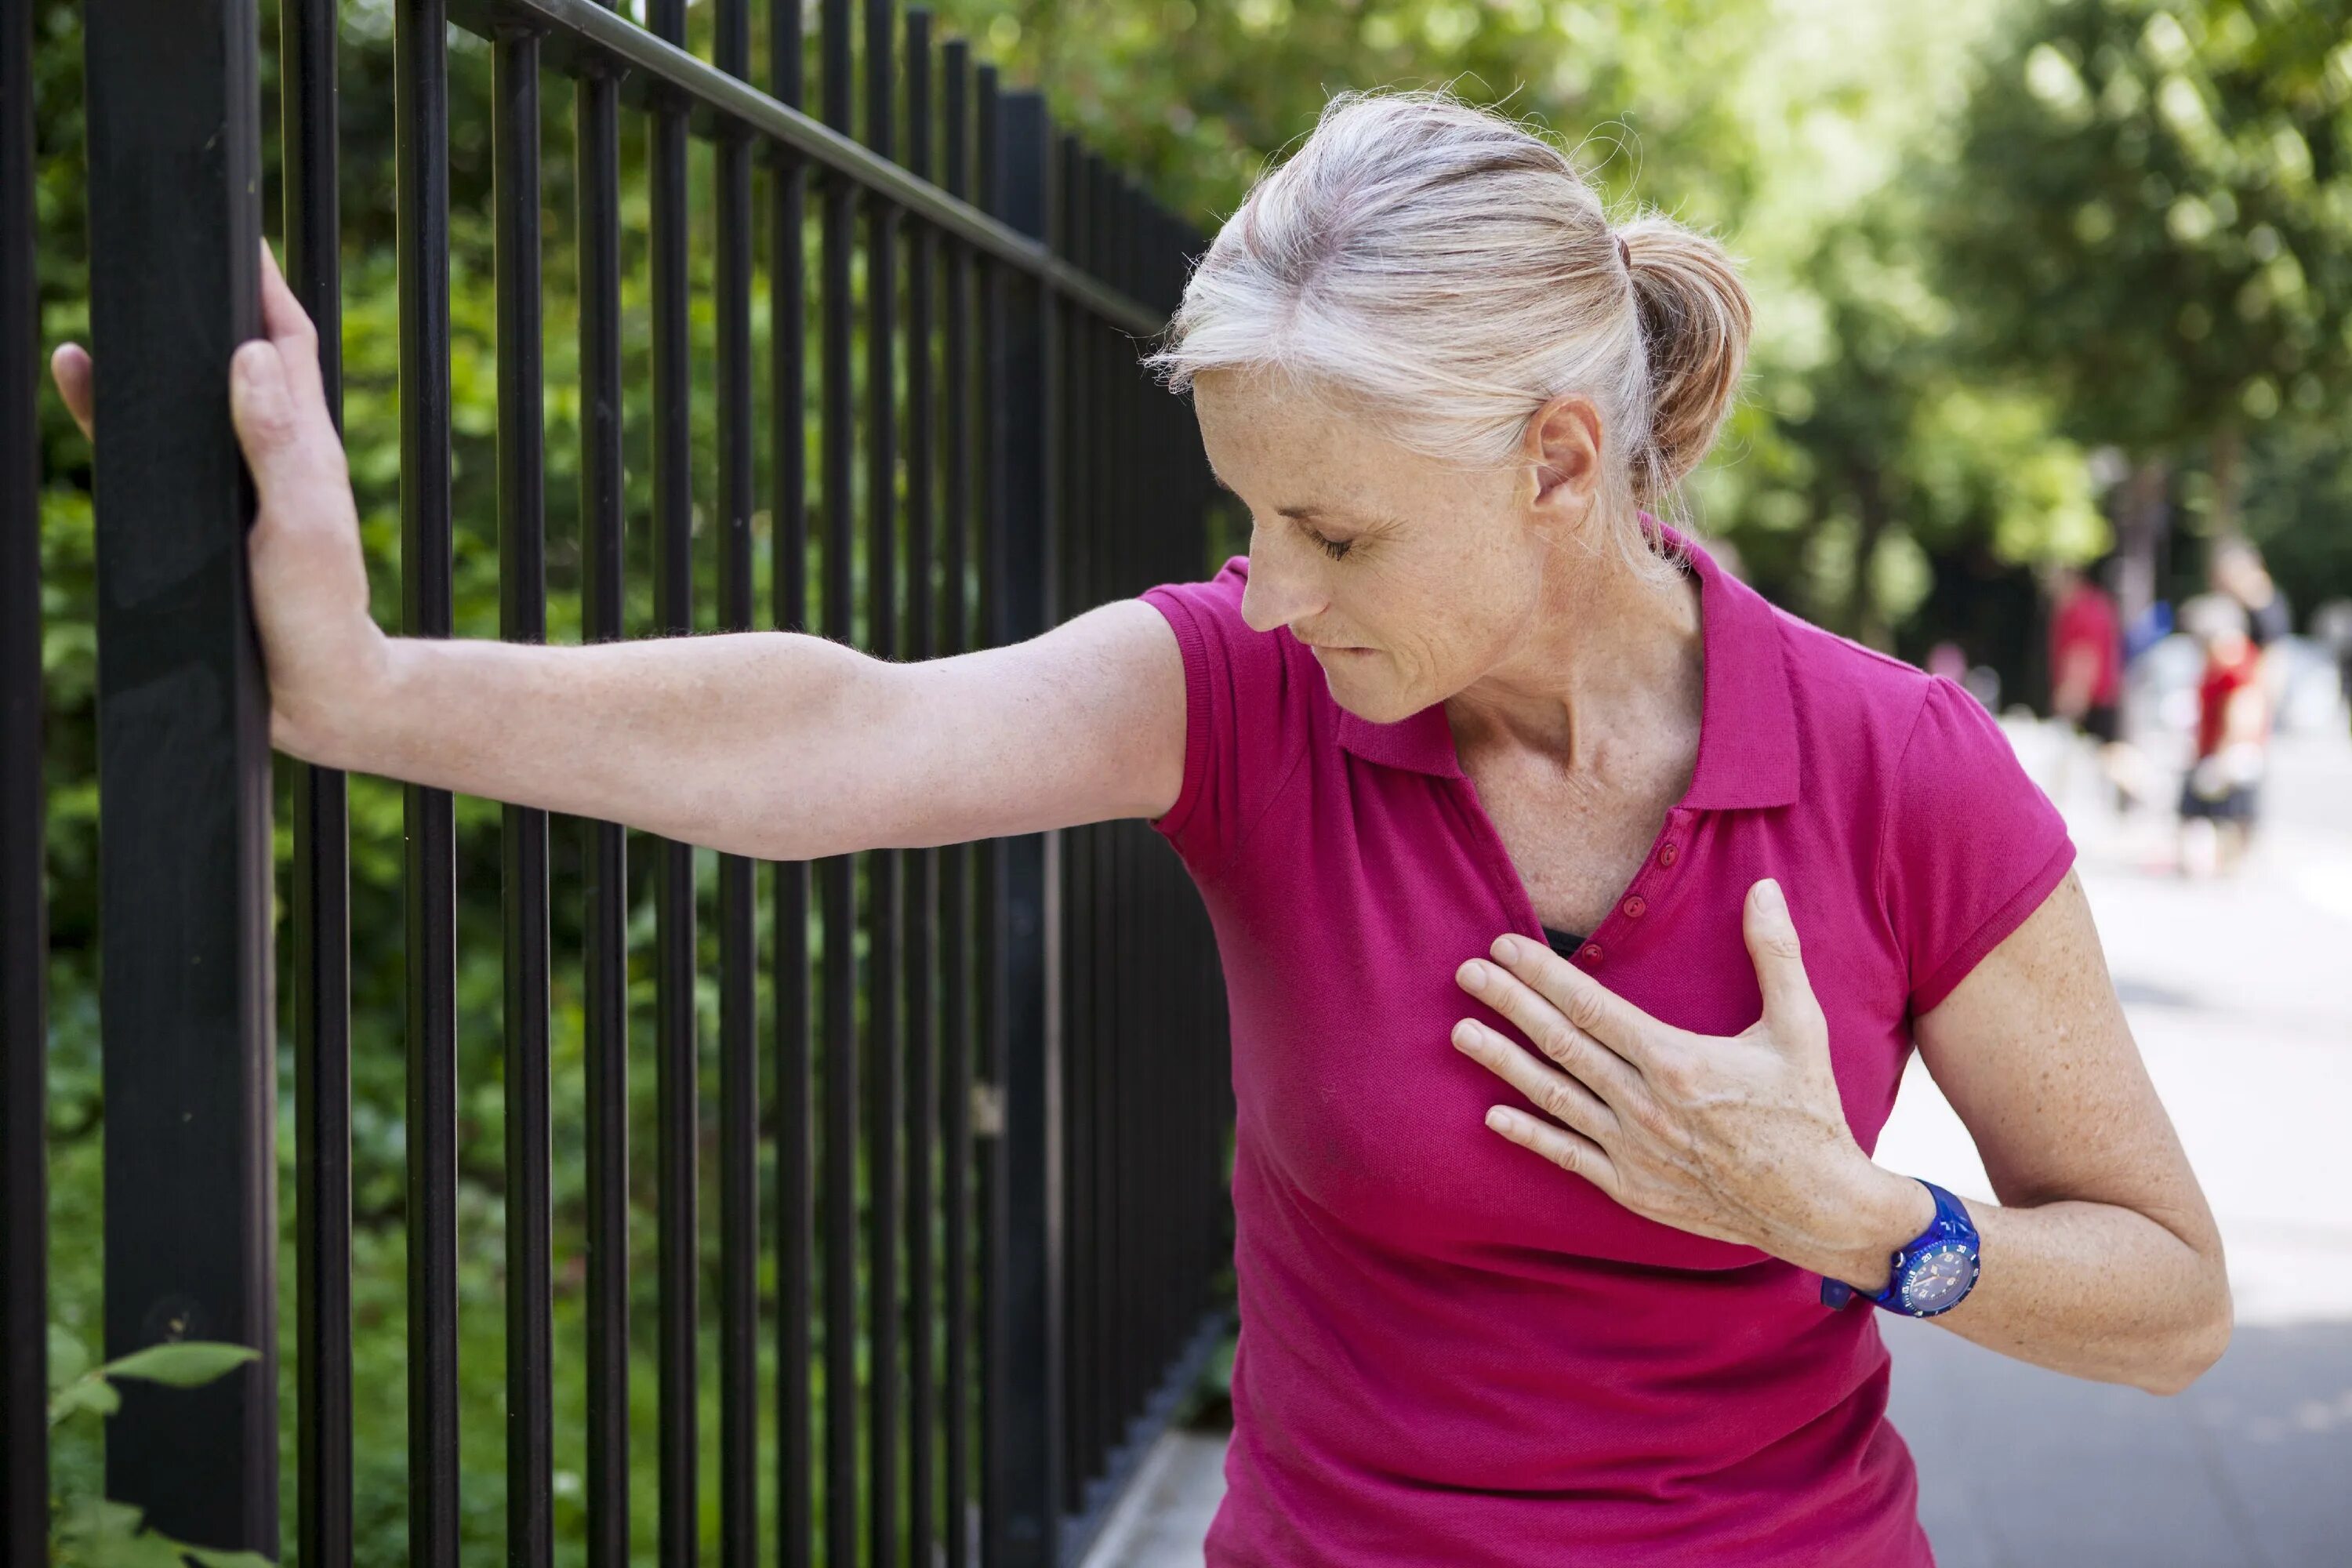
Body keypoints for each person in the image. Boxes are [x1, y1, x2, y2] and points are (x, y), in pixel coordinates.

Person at [51, 85, 2227, 1568]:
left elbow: (2167, 1301)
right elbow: (837, 739)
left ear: (1565, 463)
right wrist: (368, 686)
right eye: (1247, 518)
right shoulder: (1252, 698)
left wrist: (1851, 1221)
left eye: (1337, 530)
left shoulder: (1891, 763)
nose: (1270, 590)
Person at [2175, 593, 2268, 877]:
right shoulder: (2226, 664)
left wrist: (2223, 754)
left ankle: (2225, 865)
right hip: (2215, 750)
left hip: (2227, 753)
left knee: (2223, 812)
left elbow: (2244, 712)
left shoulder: (2234, 666)